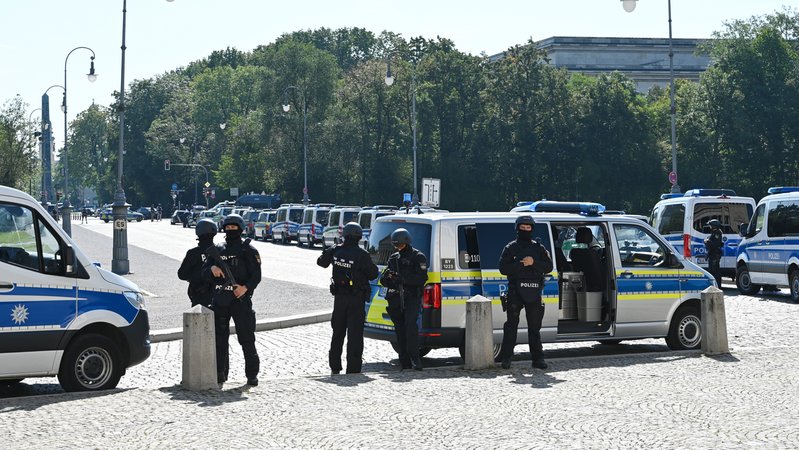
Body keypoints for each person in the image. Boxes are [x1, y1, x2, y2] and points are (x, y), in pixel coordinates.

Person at [202, 214, 262, 387]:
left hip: (241, 300)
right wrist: (212, 268)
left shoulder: (248, 250)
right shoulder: (218, 249)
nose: (230, 230)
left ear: (241, 228)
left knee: (247, 338)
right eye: (228, 227)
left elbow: (256, 276)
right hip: (221, 299)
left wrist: (246, 288)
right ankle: (220, 373)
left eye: (233, 227)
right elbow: (204, 272)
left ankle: (252, 375)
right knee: (220, 340)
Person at [317, 222, 379, 374]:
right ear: (358, 238)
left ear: (344, 235)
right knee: (355, 335)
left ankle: (335, 365)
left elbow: (321, 262)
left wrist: (331, 250)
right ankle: (353, 367)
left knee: (337, 332)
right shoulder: (362, 255)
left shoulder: (335, 250)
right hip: (356, 299)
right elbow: (373, 274)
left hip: (339, 298)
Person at [497, 215, 553, 370]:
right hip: (516, 291)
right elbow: (503, 269)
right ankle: (506, 358)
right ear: (518, 228)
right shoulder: (510, 248)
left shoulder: (539, 248)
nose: (526, 230)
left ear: (532, 229)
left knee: (535, 327)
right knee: (511, 326)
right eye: (523, 227)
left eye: (528, 228)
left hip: (534, 291)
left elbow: (548, 267)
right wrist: (521, 264)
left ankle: (538, 359)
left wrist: (533, 263)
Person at [379, 228, 428, 370]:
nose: (398, 248)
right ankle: (404, 361)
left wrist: (404, 279)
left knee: (410, 326)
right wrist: (389, 279)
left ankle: (415, 358)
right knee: (399, 329)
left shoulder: (418, 257)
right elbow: (385, 278)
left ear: (406, 242)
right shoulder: (394, 258)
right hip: (396, 298)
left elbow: (421, 278)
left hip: (412, 297)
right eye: (396, 245)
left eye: (400, 245)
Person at [177, 218, 216, 308]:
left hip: (199, 295)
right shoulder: (221, 251)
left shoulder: (193, 253)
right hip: (219, 297)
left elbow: (182, 275)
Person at [704, 219, 723, 286]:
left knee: (715, 271)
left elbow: (714, 244)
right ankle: (714, 285)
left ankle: (716, 285)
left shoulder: (717, 233)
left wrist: (707, 241)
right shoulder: (715, 233)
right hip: (713, 254)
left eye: (711, 226)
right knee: (712, 270)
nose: (710, 227)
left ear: (714, 226)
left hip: (715, 254)